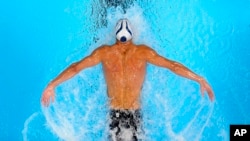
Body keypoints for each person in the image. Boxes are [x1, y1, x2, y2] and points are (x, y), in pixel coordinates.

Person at [41, 19, 214, 141]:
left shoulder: (104, 53)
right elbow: (173, 66)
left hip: (114, 114)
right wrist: (199, 78)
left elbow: (75, 67)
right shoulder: (144, 52)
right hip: (135, 114)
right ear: (132, 36)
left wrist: (52, 85)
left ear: (115, 36)